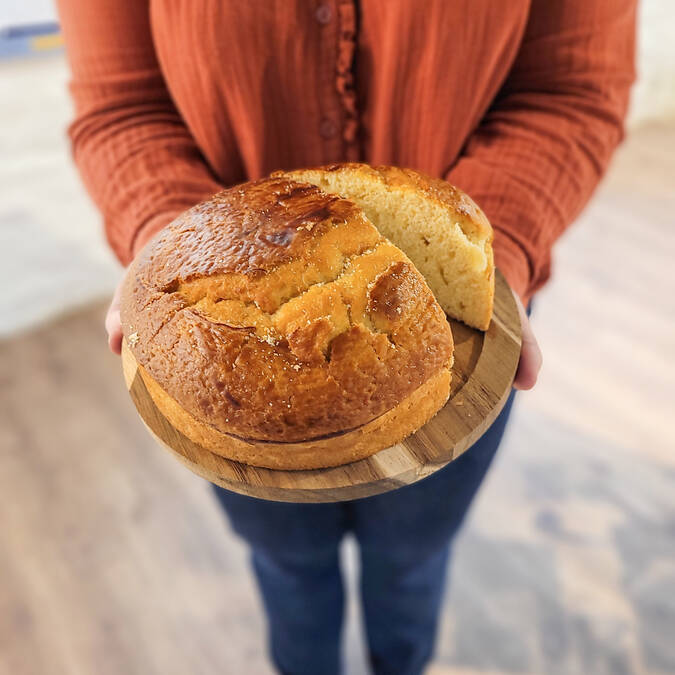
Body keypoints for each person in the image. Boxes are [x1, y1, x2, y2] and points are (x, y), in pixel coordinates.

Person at [56, 2, 635, 673]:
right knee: (288, 565)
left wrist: (488, 250)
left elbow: (570, 89)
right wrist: (171, 242)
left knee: (413, 561)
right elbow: (121, 104)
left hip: (456, 347)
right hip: (224, 367)